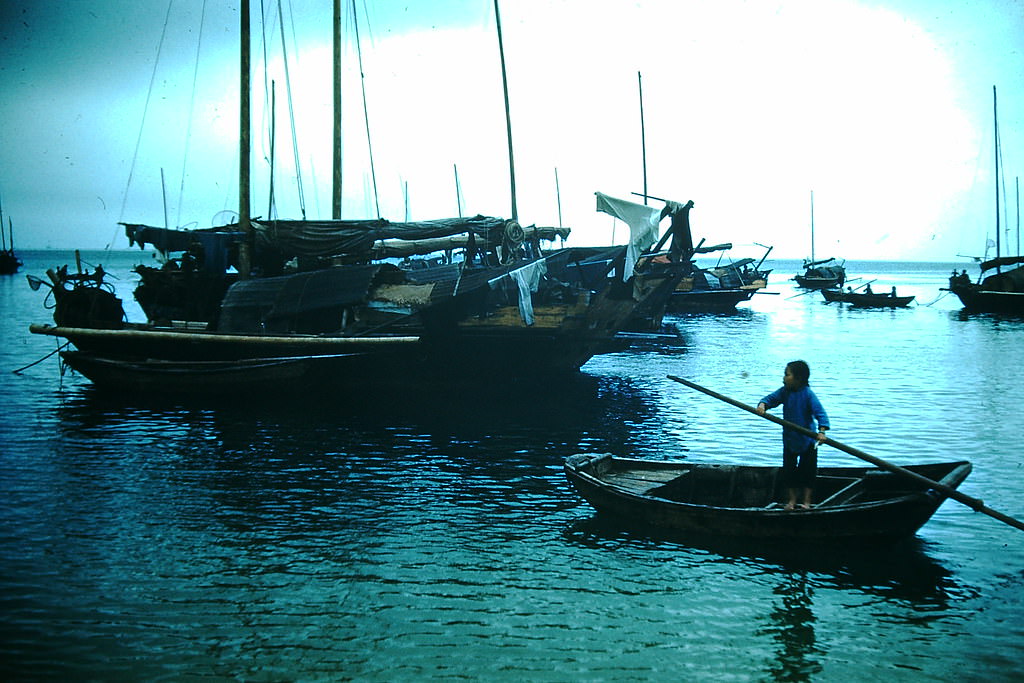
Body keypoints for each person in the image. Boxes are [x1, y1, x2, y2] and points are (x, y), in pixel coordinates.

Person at [756, 360, 830, 511]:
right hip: (790, 440)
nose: (783, 378)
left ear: (798, 379)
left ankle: (807, 502)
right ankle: (792, 501)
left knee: (807, 473)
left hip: (807, 441)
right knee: (789, 472)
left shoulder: (808, 394)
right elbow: (770, 399)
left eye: (786, 375)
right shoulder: (785, 392)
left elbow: (820, 414)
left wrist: (821, 432)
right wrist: (762, 405)